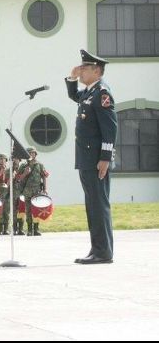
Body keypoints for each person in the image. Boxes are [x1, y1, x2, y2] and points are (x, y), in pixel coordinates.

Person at [67, 49, 117, 265]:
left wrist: (105, 158)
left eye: (85, 68)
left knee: (98, 204)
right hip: (87, 159)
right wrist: (71, 78)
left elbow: (110, 128)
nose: (81, 71)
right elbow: (73, 95)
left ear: (97, 71)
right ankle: (97, 249)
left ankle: (103, 252)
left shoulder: (102, 93)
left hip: (97, 160)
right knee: (92, 205)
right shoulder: (89, 92)